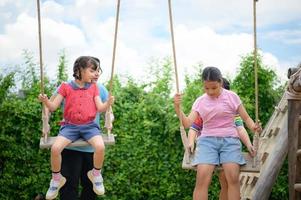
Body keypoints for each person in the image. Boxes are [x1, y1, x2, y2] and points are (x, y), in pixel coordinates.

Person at [174, 66, 261, 200]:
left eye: (213, 88)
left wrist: (253, 127)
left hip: (230, 141)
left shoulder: (232, 97)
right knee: (202, 177)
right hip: (207, 141)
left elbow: (246, 119)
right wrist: (177, 107)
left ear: (220, 82)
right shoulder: (200, 101)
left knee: (232, 177)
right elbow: (187, 124)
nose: (210, 91)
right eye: (206, 88)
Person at [38, 56, 114, 200]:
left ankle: (96, 175)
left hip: (90, 143)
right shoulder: (66, 86)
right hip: (71, 142)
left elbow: (106, 110)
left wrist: (109, 111)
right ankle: (56, 179)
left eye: (98, 71)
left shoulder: (98, 88)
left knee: (90, 189)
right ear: (81, 70)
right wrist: (45, 116)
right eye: (93, 70)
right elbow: (51, 107)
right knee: (69, 187)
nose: (97, 74)